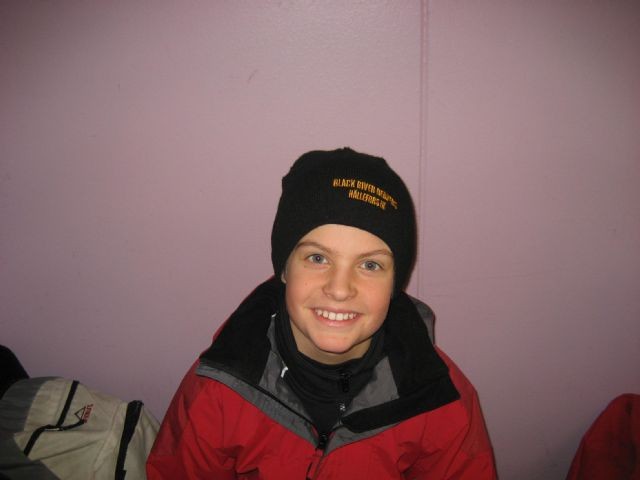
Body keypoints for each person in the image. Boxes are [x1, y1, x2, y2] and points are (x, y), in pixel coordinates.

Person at [146, 148, 497, 479]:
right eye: (318, 258)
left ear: (395, 284)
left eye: (370, 265)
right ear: (284, 269)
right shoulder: (218, 389)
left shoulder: (440, 399)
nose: (340, 289)